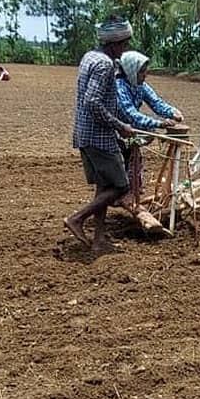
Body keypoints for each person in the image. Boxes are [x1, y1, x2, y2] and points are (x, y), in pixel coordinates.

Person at [63, 16, 137, 252]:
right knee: (121, 187)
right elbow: (93, 102)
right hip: (99, 137)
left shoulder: (89, 57)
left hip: (85, 134)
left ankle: (99, 239)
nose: (125, 49)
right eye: (124, 44)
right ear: (114, 44)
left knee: (104, 187)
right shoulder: (105, 65)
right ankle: (77, 218)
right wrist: (120, 126)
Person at [114, 50, 185, 231]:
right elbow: (131, 114)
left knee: (134, 161)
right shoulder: (120, 87)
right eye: (142, 71)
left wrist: (172, 112)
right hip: (117, 134)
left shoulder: (140, 85)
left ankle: (133, 195)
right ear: (131, 71)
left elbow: (156, 102)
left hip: (132, 134)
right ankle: (125, 197)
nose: (145, 75)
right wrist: (159, 124)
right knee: (121, 171)